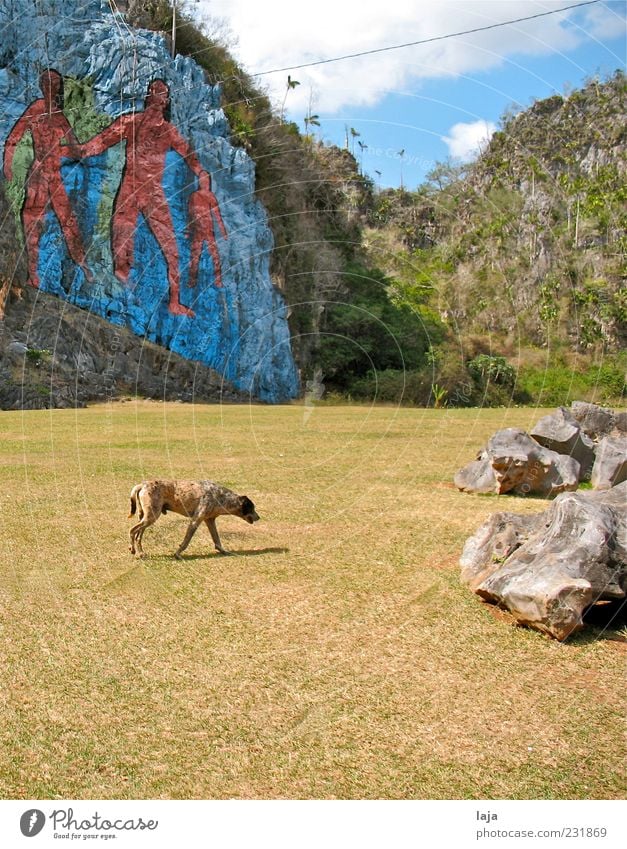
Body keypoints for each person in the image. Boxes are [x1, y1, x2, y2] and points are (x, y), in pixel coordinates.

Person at [79, 79, 204, 317]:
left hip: (153, 191)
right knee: (121, 240)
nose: (157, 97)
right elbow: (101, 142)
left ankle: (174, 301)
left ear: (166, 100)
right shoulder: (131, 122)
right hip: (130, 186)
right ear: (147, 96)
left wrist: (202, 175)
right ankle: (121, 289)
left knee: (172, 248)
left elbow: (190, 155)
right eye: (153, 92)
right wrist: (77, 150)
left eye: (162, 94)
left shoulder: (169, 131)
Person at [3, 69, 93, 288]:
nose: (49, 86)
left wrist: (65, 151)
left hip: (55, 177)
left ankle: (83, 265)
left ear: (59, 87)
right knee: (30, 220)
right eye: (45, 82)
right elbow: (14, 137)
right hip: (38, 175)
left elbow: (74, 148)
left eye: (53, 83)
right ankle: (32, 273)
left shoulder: (61, 117)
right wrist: (8, 165)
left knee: (68, 222)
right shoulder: (36, 109)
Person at [187, 170, 227, 289]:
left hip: (207, 231)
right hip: (199, 231)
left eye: (206, 180)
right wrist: (189, 230)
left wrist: (223, 231)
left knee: (213, 256)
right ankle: (193, 281)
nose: (205, 182)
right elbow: (190, 214)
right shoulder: (195, 196)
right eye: (203, 180)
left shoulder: (209, 196)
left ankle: (217, 280)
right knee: (196, 256)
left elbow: (217, 215)